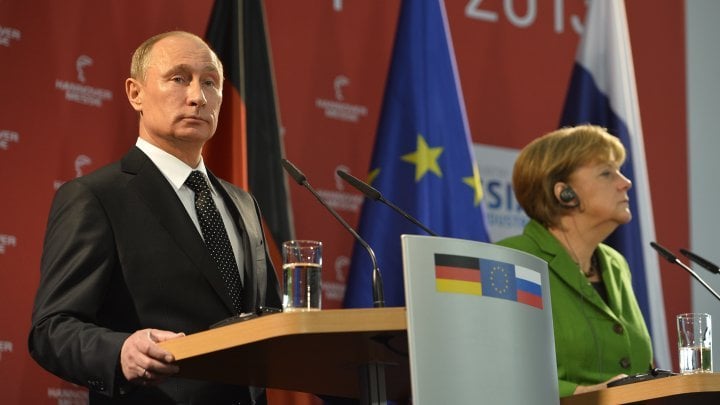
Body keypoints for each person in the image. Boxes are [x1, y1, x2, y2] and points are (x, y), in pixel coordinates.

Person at [29, 31, 282, 404]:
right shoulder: (96, 197)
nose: (197, 96)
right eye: (179, 78)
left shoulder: (243, 203)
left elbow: (270, 319)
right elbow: (52, 329)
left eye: (210, 82)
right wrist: (120, 351)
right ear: (135, 93)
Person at [496, 124, 653, 397]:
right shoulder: (512, 260)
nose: (625, 182)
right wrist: (583, 393)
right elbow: (500, 371)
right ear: (564, 193)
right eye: (606, 173)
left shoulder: (615, 265)